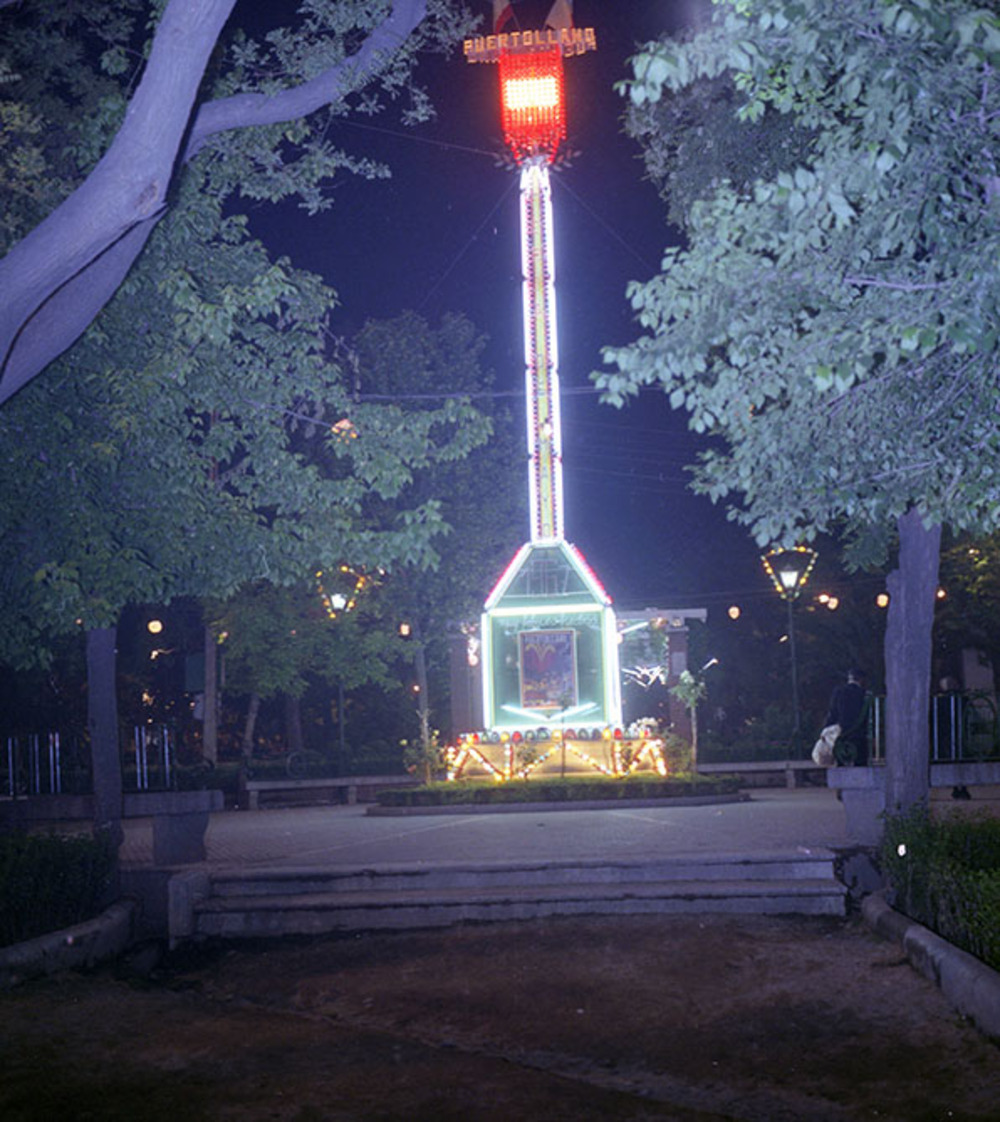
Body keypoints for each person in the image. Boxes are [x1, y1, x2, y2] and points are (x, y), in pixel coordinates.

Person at [825, 669, 870, 766]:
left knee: (841, 763)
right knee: (861, 765)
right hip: (860, 735)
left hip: (841, 734)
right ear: (862, 680)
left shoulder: (839, 692)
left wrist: (827, 729)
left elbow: (832, 713)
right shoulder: (865, 694)